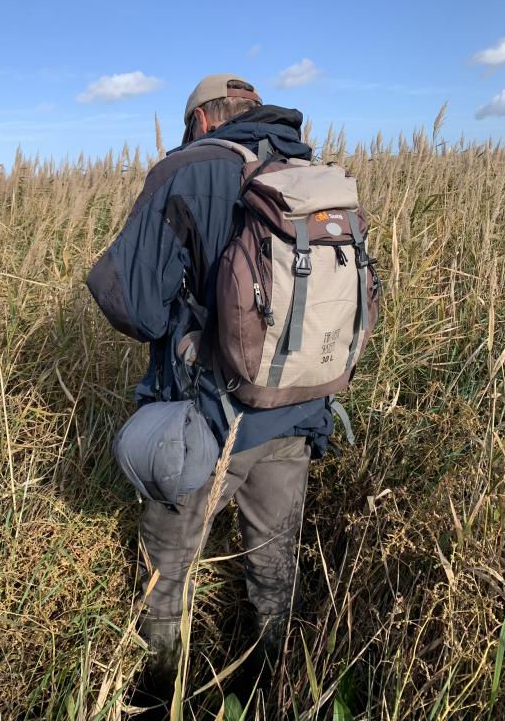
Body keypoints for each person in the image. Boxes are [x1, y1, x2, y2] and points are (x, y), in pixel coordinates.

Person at [86, 74, 333, 688]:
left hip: (211, 417)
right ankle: (268, 684)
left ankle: (159, 687)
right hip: (299, 408)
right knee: (273, 570)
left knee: (168, 566)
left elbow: (136, 306)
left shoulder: (187, 169)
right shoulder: (308, 171)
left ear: (200, 120)